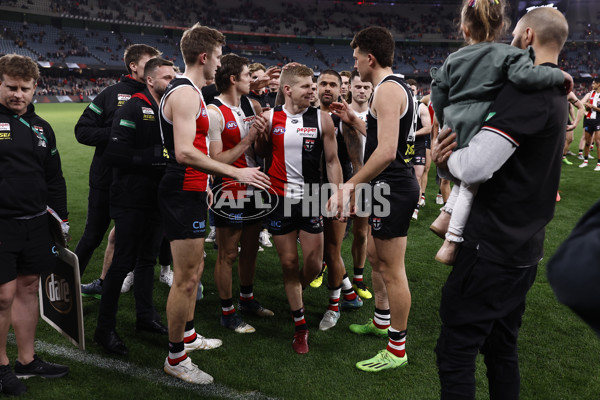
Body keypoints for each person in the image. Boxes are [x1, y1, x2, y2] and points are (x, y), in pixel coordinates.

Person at [432, 6, 569, 399]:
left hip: (493, 247)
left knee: (455, 352)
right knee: (500, 349)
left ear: (527, 38)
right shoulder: (556, 91)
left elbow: (475, 167)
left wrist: (447, 158)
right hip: (523, 244)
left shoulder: (529, 92)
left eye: (515, 38)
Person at [158, 24, 270, 384]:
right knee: (186, 279)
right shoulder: (188, 94)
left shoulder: (189, 91)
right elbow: (185, 151)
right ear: (205, 57)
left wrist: (206, 182)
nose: (220, 65)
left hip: (191, 187)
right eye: (219, 56)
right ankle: (176, 358)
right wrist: (233, 174)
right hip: (181, 188)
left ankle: (188, 337)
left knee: (196, 268)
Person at [429, 0, 571, 265]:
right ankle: (452, 239)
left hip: (455, 119)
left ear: (464, 30)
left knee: (466, 175)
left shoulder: (453, 58)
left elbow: (438, 92)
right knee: (470, 186)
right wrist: (559, 77)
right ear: (501, 26)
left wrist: (445, 118)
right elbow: (526, 76)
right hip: (481, 118)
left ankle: (446, 215)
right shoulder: (511, 58)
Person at [328, 26, 419, 372]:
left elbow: (385, 153)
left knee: (393, 270)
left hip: (393, 185)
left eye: (355, 57)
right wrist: (354, 120)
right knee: (377, 258)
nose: (354, 63)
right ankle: (382, 320)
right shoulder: (396, 87)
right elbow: (385, 137)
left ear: (370, 57)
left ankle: (397, 349)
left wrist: (348, 185)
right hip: (392, 183)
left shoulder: (386, 90)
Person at [254, 64, 342, 353]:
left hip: (311, 196)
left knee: (314, 264)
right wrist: (259, 136)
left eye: (313, 85)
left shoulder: (322, 119)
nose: (313, 90)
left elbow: (332, 161)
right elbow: (263, 154)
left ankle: (295, 290)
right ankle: (300, 326)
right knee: (289, 264)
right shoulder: (270, 117)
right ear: (288, 89)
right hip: (279, 199)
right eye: (306, 86)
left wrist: (337, 193)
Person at [94, 58, 176, 355]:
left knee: (148, 260)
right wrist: (157, 157)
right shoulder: (132, 107)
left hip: (157, 199)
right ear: (150, 80)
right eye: (167, 77)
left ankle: (145, 317)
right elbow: (114, 154)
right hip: (129, 199)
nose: (173, 81)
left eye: (174, 75)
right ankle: (104, 330)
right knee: (122, 263)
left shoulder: (167, 110)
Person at [0, 54, 69, 395]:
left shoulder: (42, 127)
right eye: (11, 87)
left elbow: (54, 177)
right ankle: (0, 368)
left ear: (34, 88)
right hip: (2, 225)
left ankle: (26, 362)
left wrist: (62, 220)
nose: (18, 94)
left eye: (24, 89)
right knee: (2, 295)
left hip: (35, 223)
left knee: (28, 288)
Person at [75, 44, 162, 297]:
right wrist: (118, 134)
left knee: (133, 239)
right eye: (150, 61)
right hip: (105, 179)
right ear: (133, 65)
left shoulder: (159, 95)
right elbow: (82, 131)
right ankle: (65, 285)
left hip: (138, 183)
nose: (156, 66)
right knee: (92, 236)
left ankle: (109, 284)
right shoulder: (111, 94)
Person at [207, 54, 274, 334]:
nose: (253, 79)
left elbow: (256, 152)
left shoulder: (251, 104)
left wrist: (261, 136)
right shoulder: (213, 112)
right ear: (233, 79)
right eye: (248, 75)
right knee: (228, 253)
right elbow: (216, 160)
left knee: (250, 250)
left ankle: (247, 300)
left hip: (255, 184)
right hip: (229, 188)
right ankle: (227, 312)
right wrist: (248, 137)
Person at [314, 69, 362, 332]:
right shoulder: (308, 115)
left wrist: (350, 195)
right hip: (311, 191)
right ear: (316, 86)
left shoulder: (344, 120)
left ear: (342, 89)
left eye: (334, 84)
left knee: (332, 250)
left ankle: (334, 307)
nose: (328, 88)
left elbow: (356, 162)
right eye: (324, 83)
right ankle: (350, 294)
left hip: (338, 190)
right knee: (321, 251)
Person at [346, 70, 373, 300]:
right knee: (330, 232)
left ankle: (358, 278)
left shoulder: (377, 114)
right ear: (350, 88)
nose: (362, 90)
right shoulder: (340, 113)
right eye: (358, 86)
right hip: (341, 179)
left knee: (362, 233)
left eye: (366, 87)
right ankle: (327, 267)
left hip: (369, 180)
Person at [578, 80, 600, 169]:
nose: (592, 85)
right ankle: (585, 161)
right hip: (588, 119)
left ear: (599, 84)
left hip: (598, 120)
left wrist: (593, 107)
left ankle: (598, 164)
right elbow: (582, 102)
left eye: (594, 83)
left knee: (598, 142)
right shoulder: (590, 93)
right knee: (587, 142)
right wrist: (587, 106)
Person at [562, 92, 584, 166]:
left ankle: (563, 157)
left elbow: (571, 107)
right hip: (552, 119)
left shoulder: (568, 93)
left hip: (565, 118)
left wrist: (574, 120)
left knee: (569, 138)